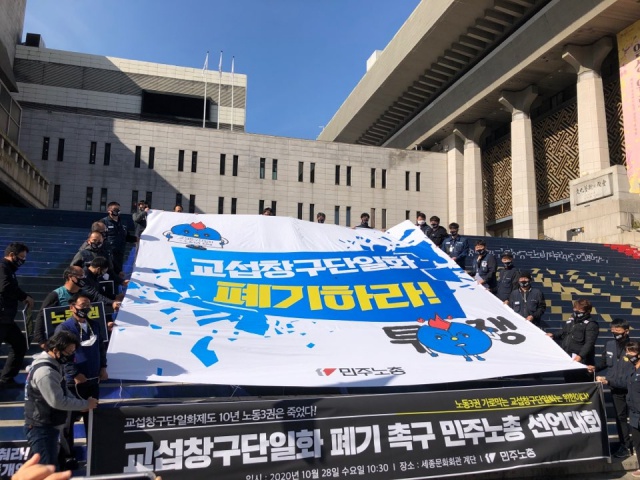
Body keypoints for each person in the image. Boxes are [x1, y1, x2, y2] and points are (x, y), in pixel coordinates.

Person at [24, 330, 98, 469]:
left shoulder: (54, 365)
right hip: (41, 427)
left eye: (73, 352)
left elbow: (63, 391)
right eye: (68, 352)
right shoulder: (46, 372)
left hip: (49, 425)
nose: (70, 356)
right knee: (47, 470)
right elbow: (57, 401)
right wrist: (85, 404)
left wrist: (80, 405)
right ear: (55, 350)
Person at [55, 293, 108, 470]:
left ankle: (95, 453)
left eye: (88, 305)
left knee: (92, 418)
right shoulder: (64, 328)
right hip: (74, 383)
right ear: (72, 307)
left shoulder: (95, 325)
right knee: (68, 421)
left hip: (93, 380)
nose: (86, 308)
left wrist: (103, 367)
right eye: (83, 305)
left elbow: (101, 347)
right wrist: (74, 373)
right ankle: (68, 456)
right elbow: (61, 354)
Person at [594, 318, 634, 458]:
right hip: (615, 388)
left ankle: (632, 444)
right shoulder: (609, 344)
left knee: (635, 417)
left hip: (632, 388)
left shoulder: (634, 346)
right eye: (613, 330)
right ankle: (625, 445)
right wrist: (594, 368)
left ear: (626, 331)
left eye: (618, 330)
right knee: (619, 418)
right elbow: (603, 362)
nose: (615, 332)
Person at [0, 242, 35, 388]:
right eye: (21, 257)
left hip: (7, 319)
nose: (23, 260)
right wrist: (23, 296)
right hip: (1, 318)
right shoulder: (2, 267)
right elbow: (5, 287)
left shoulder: (9, 269)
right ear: (11, 255)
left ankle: (6, 379)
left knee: (20, 344)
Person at [547, 298, 598, 383]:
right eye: (575, 309)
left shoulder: (591, 324)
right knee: (569, 382)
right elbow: (564, 332)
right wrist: (553, 335)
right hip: (568, 357)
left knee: (581, 384)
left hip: (582, 360)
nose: (577, 311)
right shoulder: (571, 320)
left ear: (588, 311)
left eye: (580, 310)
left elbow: (589, 343)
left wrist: (580, 356)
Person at [33, 267, 85, 349]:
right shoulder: (56, 295)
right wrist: (41, 340)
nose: (83, 279)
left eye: (84, 276)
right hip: (63, 340)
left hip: (82, 337)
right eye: (80, 276)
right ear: (70, 277)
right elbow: (42, 316)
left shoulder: (85, 294)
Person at [624, 341, 640, 478]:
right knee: (637, 442)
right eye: (627, 352)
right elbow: (623, 383)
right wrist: (606, 381)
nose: (628, 354)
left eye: (631, 352)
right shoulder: (632, 370)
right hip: (634, 414)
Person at [100, 201, 129, 276]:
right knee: (109, 273)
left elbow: (127, 236)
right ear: (109, 210)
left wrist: (138, 239)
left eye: (118, 209)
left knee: (118, 274)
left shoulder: (123, 222)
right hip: (108, 253)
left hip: (120, 253)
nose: (117, 211)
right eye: (115, 209)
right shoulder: (103, 222)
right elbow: (98, 236)